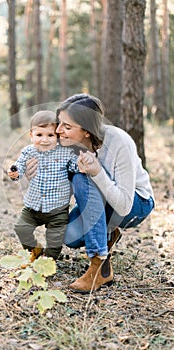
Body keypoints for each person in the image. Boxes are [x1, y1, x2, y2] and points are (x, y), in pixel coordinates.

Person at [26, 94, 155, 293]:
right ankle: (107, 235)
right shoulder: (67, 145)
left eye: (67, 127)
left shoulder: (119, 142)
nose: (58, 131)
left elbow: (124, 206)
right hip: (101, 204)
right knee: (69, 236)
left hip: (136, 204)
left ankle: (99, 265)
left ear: (86, 131)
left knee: (82, 177)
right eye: (59, 123)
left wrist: (97, 172)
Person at [7, 110, 79, 261]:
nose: (44, 140)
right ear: (31, 135)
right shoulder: (28, 152)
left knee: (55, 239)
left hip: (57, 208)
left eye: (50, 135)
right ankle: (36, 250)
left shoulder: (66, 152)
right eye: (39, 135)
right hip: (33, 206)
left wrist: (83, 165)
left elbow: (75, 166)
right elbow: (19, 166)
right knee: (21, 228)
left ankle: (49, 260)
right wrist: (15, 172)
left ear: (57, 136)